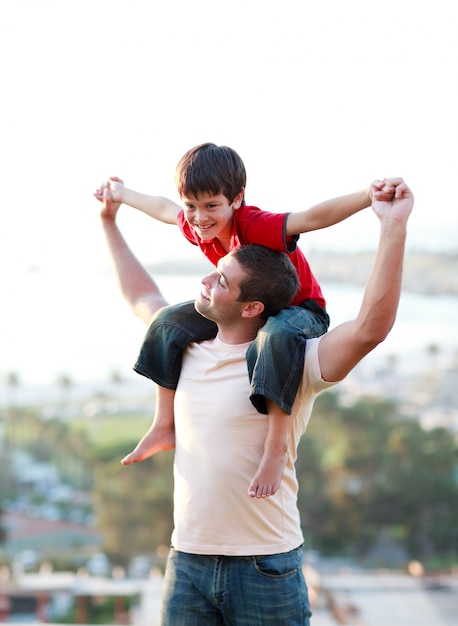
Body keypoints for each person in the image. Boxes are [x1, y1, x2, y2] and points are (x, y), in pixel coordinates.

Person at [98, 177, 414, 625]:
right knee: (162, 317)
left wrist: (392, 226)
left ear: (250, 307)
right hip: (187, 562)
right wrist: (110, 220)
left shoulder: (297, 361)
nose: (205, 278)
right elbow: (141, 296)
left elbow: (369, 329)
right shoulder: (184, 345)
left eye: (222, 279)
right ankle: (161, 424)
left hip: (266, 567)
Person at [95, 142, 387, 498]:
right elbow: (163, 208)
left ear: (236, 198)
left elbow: (312, 218)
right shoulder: (195, 224)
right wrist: (122, 195)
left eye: (211, 206)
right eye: (192, 206)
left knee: (274, 337)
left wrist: (367, 195)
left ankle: (276, 446)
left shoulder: (253, 224)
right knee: (168, 321)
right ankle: (163, 423)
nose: (199, 217)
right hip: (244, 306)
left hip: (298, 312)